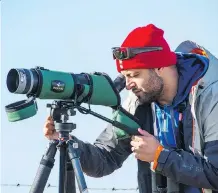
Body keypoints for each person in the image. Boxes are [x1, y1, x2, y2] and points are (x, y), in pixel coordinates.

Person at [44, 24, 218, 193]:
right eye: (125, 76)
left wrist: (160, 156)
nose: (128, 85)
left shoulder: (212, 97)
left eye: (135, 75)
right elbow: (105, 158)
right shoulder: (138, 101)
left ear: (159, 67)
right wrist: (69, 142)